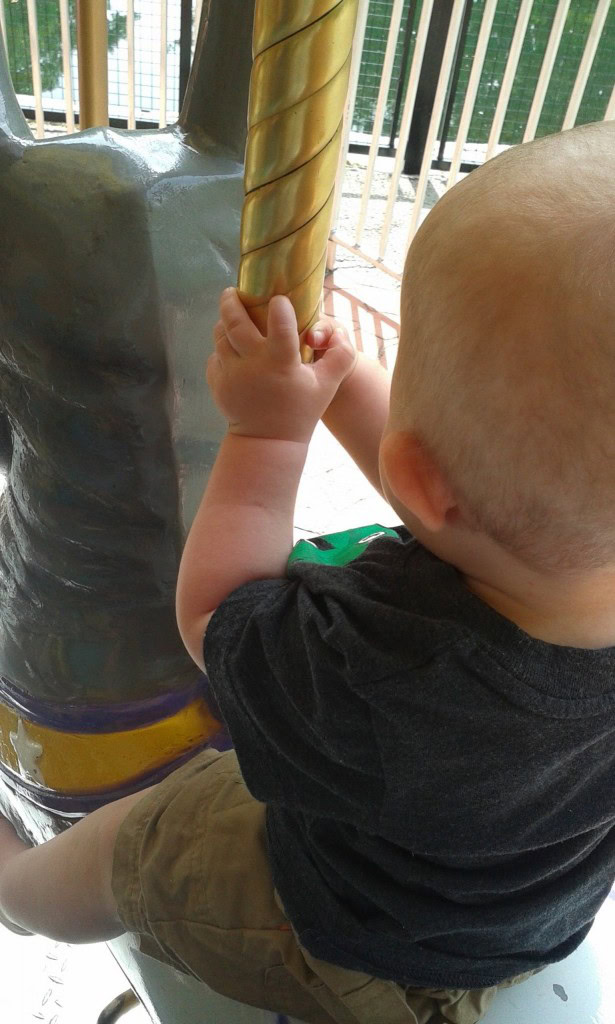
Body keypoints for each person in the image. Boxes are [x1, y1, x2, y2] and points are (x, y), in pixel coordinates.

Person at [1, 119, 615, 1024]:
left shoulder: (378, 674)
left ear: (419, 479)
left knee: (140, 838)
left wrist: (267, 433)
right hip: (523, 914)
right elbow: (458, 509)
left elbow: (217, 615)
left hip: (344, 925)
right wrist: (341, 377)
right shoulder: (555, 567)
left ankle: (18, 892)